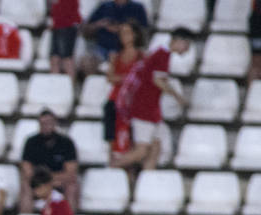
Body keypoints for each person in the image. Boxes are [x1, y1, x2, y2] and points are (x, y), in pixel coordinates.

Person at [113, 29, 193, 174]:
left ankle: (146, 182)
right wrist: (178, 97)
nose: (187, 49)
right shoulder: (163, 55)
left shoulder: (161, 54)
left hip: (152, 110)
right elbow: (157, 81)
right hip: (144, 109)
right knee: (141, 151)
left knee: (156, 147)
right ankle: (110, 169)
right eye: (186, 45)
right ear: (179, 41)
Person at [19, 109, 79, 214]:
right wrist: (43, 181)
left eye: (49, 123)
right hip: (38, 183)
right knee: (25, 185)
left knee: (72, 185)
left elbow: (70, 172)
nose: (45, 126)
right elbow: (27, 170)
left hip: (58, 183)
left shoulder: (66, 143)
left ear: (55, 123)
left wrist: (49, 179)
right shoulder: (31, 142)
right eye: (42, 123)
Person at [103, 22, 144, 162]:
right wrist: (128, 78)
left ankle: (127, 169)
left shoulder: (142, 56)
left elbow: (142, 78)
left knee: (131, 138)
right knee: (112, 137)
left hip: (132, 102)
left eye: (127, 32)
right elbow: (110, 77)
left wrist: (122, 78)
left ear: (135, 35)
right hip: (115, 99)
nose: (124, 36)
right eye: (121, 33)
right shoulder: (116, 56)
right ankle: (112, 163)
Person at [81, 0, 147, 71]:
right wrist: (100, 24)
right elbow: (86, 30)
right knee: (88, 62)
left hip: (126, 50)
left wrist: (120, 29)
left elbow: (143, 31)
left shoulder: (137, 8)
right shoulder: (104, 6)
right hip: (102, 49)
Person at [49, 0, 80, 80]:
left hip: (67, 27)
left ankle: (70, 88)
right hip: (58, 26)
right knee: (54, 58)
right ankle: (54, 85)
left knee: (67, 59)